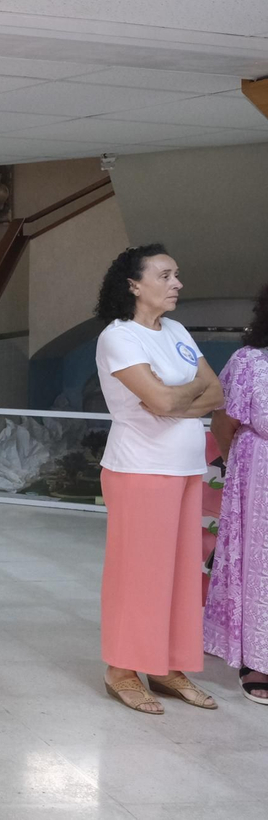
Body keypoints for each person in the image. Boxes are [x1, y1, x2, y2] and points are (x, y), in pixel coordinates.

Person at [94, 244, 223, 714]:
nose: (177, 284)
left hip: (187, 468)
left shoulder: (175, 330)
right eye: (166, 275)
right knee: (139, 574)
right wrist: (174, 399)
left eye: (177, 275)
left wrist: (170, 397)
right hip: (140, 470)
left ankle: (165, 664)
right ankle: (122, 668)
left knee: (181, 575)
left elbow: (217, 392)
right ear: (134, 285)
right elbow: (167, 402)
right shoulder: (119, 337)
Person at [205, 281, 268, 705]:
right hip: (259, 477)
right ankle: (258, 659)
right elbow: (223, 424)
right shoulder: (250, 362)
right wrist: (241, 470)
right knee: (259, 565)